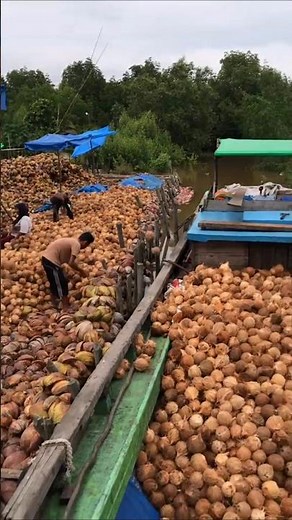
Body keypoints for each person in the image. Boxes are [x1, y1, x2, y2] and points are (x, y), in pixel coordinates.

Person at [41, 232, 94, 311]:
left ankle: (54, 303)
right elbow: (71, 263)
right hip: (51, 261)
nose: (85, 247)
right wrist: (81, 271)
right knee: (62, 283)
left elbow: (68, 261)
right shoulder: (77, 244)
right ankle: (65, 307)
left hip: (46, 259)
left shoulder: (72, 241)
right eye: (86, 245)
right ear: (85, 242)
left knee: (54, 282)